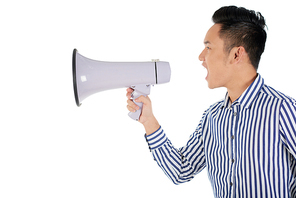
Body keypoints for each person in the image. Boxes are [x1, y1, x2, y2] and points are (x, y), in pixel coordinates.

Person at [126, 6, 296, 198]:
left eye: (208, 47)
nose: (201, 57)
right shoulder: (212, 117)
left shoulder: (283, 109)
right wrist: (149, 120)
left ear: (236, 55)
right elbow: (181, 170)